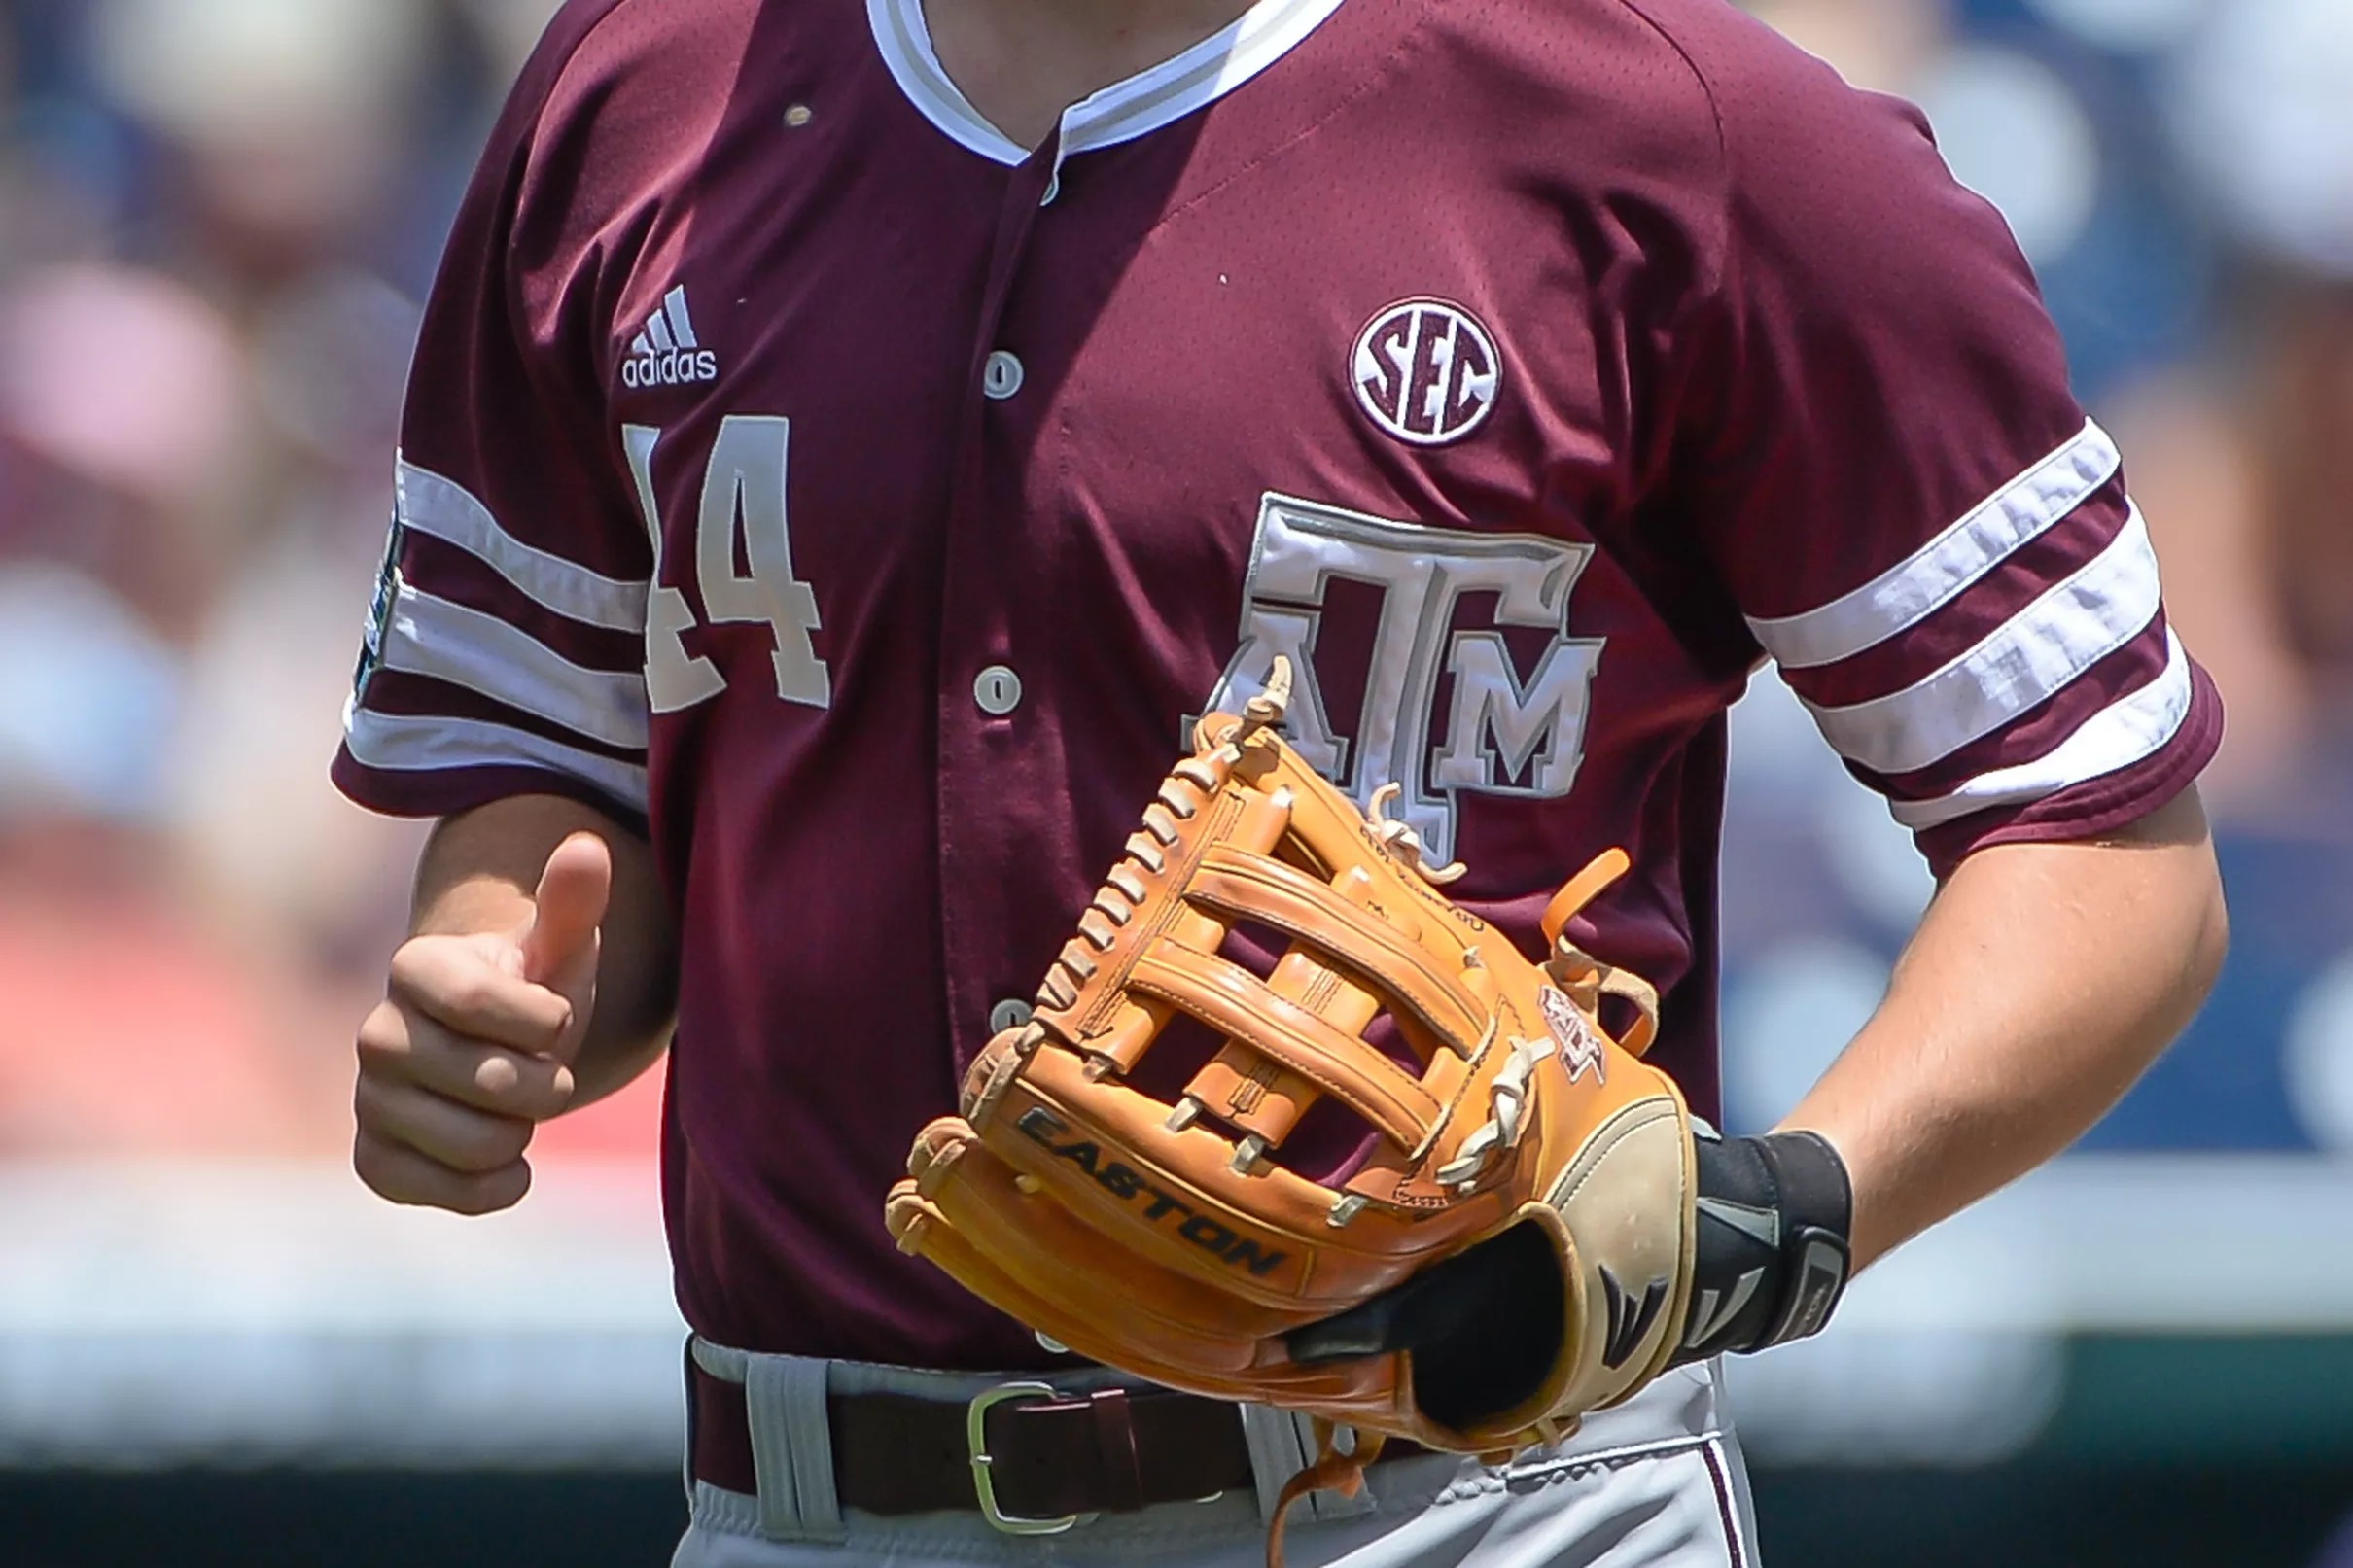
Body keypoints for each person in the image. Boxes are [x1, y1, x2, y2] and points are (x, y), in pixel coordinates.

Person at [333, 0, 2230, 1562]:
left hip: (1478, 1505)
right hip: (820, 1501)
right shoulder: (637, 92)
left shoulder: (1678, 129)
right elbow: (552, 767)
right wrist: (502, 990)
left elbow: (2100, 842)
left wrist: (1781, 1214)